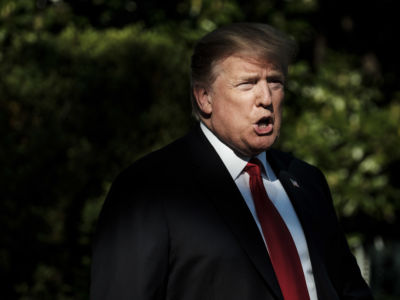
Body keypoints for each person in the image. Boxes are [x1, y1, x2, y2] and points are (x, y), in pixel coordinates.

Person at [90, 23, 373, 300]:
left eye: (274, 82)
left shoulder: (307, 181)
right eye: (247, 83)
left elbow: (349, 288)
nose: (266, 98)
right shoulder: (148, 188)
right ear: (205, 98)